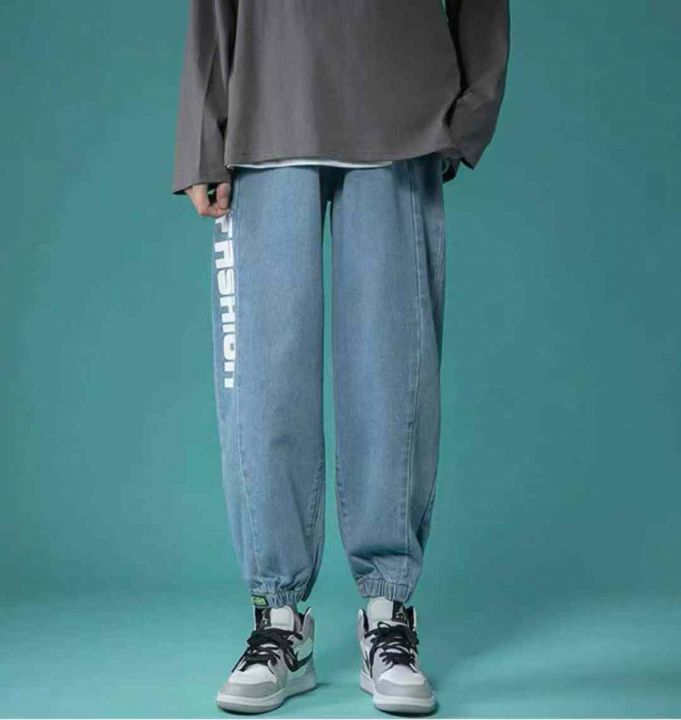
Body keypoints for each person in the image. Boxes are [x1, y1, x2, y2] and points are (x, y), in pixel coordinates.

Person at [172, 0, 509, 714]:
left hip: (401, 110)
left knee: (393, 377)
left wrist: (470, 108)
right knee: (265, 381)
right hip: (267, 109)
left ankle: (387, 615)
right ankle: (279, 622)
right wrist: (203, 139)